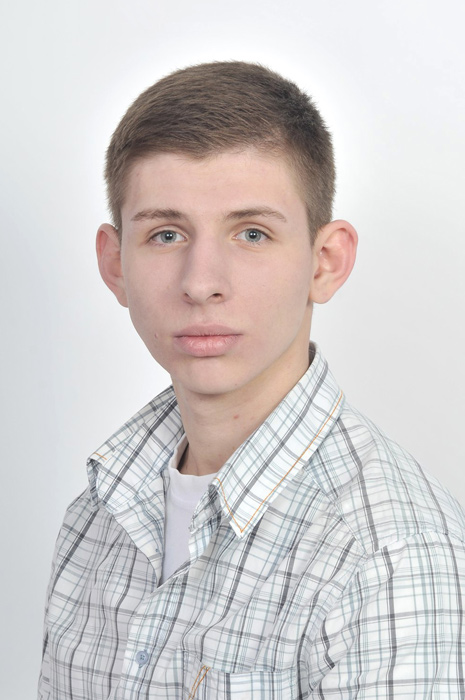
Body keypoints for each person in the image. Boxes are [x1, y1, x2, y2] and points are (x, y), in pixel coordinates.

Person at [38, 61, 465, 699]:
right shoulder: (96, 518)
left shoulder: (389, 557)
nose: (201, 281)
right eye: (166, 233)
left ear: (325, 262)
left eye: (252, 233)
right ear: (115, 263)